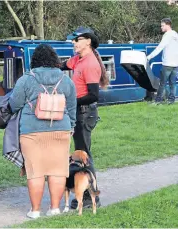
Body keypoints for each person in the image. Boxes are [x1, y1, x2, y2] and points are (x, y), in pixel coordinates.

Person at [9, 44, 77, 218]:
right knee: (58, 169)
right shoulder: (66, 80)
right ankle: (54, 208)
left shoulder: (26, 79)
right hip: (61, 130)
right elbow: (71, 107)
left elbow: (14, 104)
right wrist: (72, 126)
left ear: (35, 60)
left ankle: (35, 210)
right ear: (54, 59)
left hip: (32, 131)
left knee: (35, 171)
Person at [61, 26, 109, 209]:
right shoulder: (78, 60)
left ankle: (92, 197)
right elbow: (61, 65)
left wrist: (73, 102)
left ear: (88, 41)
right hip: (79, 112)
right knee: (81, 153)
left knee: (84, 155)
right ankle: (88, 194)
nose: (74, 43)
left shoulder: (90, 64)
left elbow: (94, 95)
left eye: (77, 40)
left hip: (84, 112)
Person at [147, 18, 178, 105]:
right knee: (173, 84)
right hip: (176, 64)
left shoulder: (168, 35)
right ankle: (171, 101)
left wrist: (149, 57)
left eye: (162, 25)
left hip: (167, 64)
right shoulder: (177, 35)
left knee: (162, 83)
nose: (161, 27)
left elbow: (160, 47)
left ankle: (158, 101)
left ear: (167, 25)